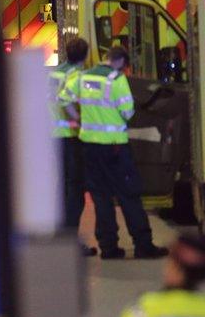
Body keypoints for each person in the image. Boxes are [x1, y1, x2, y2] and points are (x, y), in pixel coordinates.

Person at [62, 46, 168, 260]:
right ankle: (143, 245)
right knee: (129, 195)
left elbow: (64, 99)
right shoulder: (117, 80)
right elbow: (127, 112)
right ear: (121, 62)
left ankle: (109, 248)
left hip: (90, 147)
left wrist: (78, 119)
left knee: (101, 197)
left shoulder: (83, 77)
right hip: (116, 148)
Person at [50, 36, 94, 256]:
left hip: (52, 137)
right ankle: (70, 240)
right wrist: (77, 119)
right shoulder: (76, 75)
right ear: (85, 55)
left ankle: (59, 235)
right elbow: (67, 101)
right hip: (69, 135)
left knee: (59, 188)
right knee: (75, 189)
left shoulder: (54, 72)